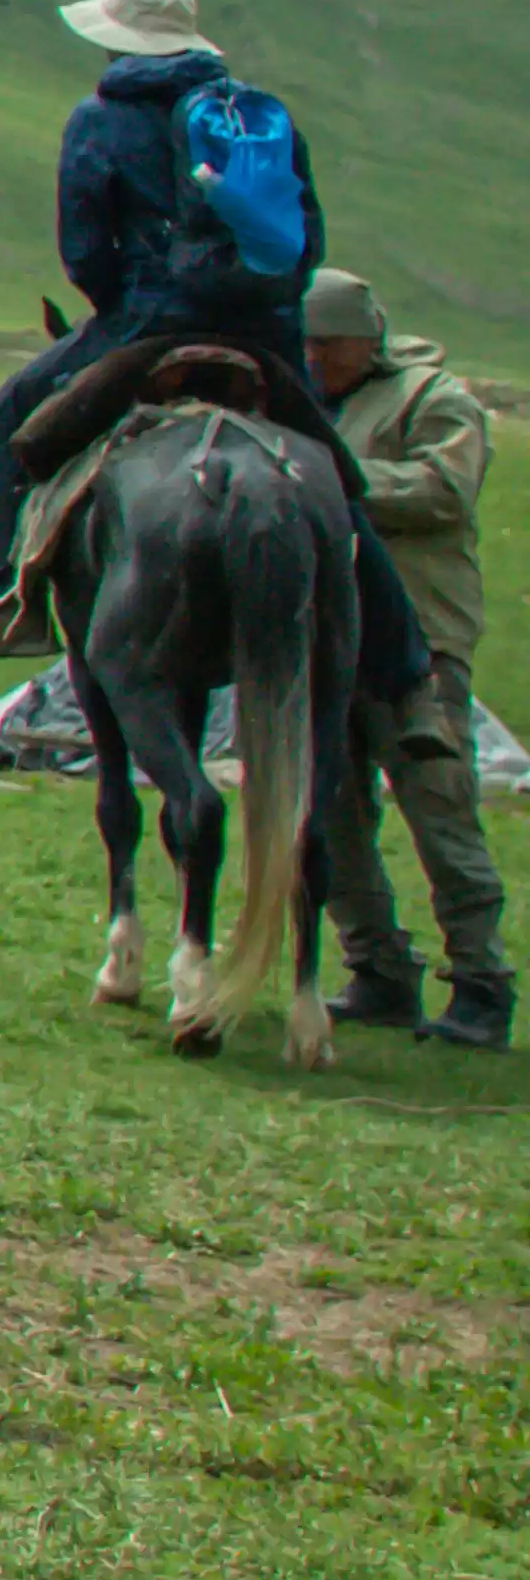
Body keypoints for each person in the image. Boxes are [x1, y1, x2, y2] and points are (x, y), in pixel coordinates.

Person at [0, 0, 420, 696]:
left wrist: (123, 310)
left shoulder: (99, 119)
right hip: (265, 332)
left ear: (117, 40)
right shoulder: (256, 116)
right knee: (335, 482)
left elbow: (85, 250)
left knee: (13, 414)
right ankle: (406, 668)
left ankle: (15, 604)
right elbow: (305, 239)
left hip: (148, 323)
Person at [307, 268, 509, 1049]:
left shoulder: (435, 399)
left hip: (420, 641)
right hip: (325, 639)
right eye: (305, 343)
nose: (315, 357)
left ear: (368, 338)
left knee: (438, 809)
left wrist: (336, 481)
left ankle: (482, 983)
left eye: (329, 343)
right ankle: (378, 969)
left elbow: (444, 489)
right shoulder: (307, 399)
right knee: (329, 814)